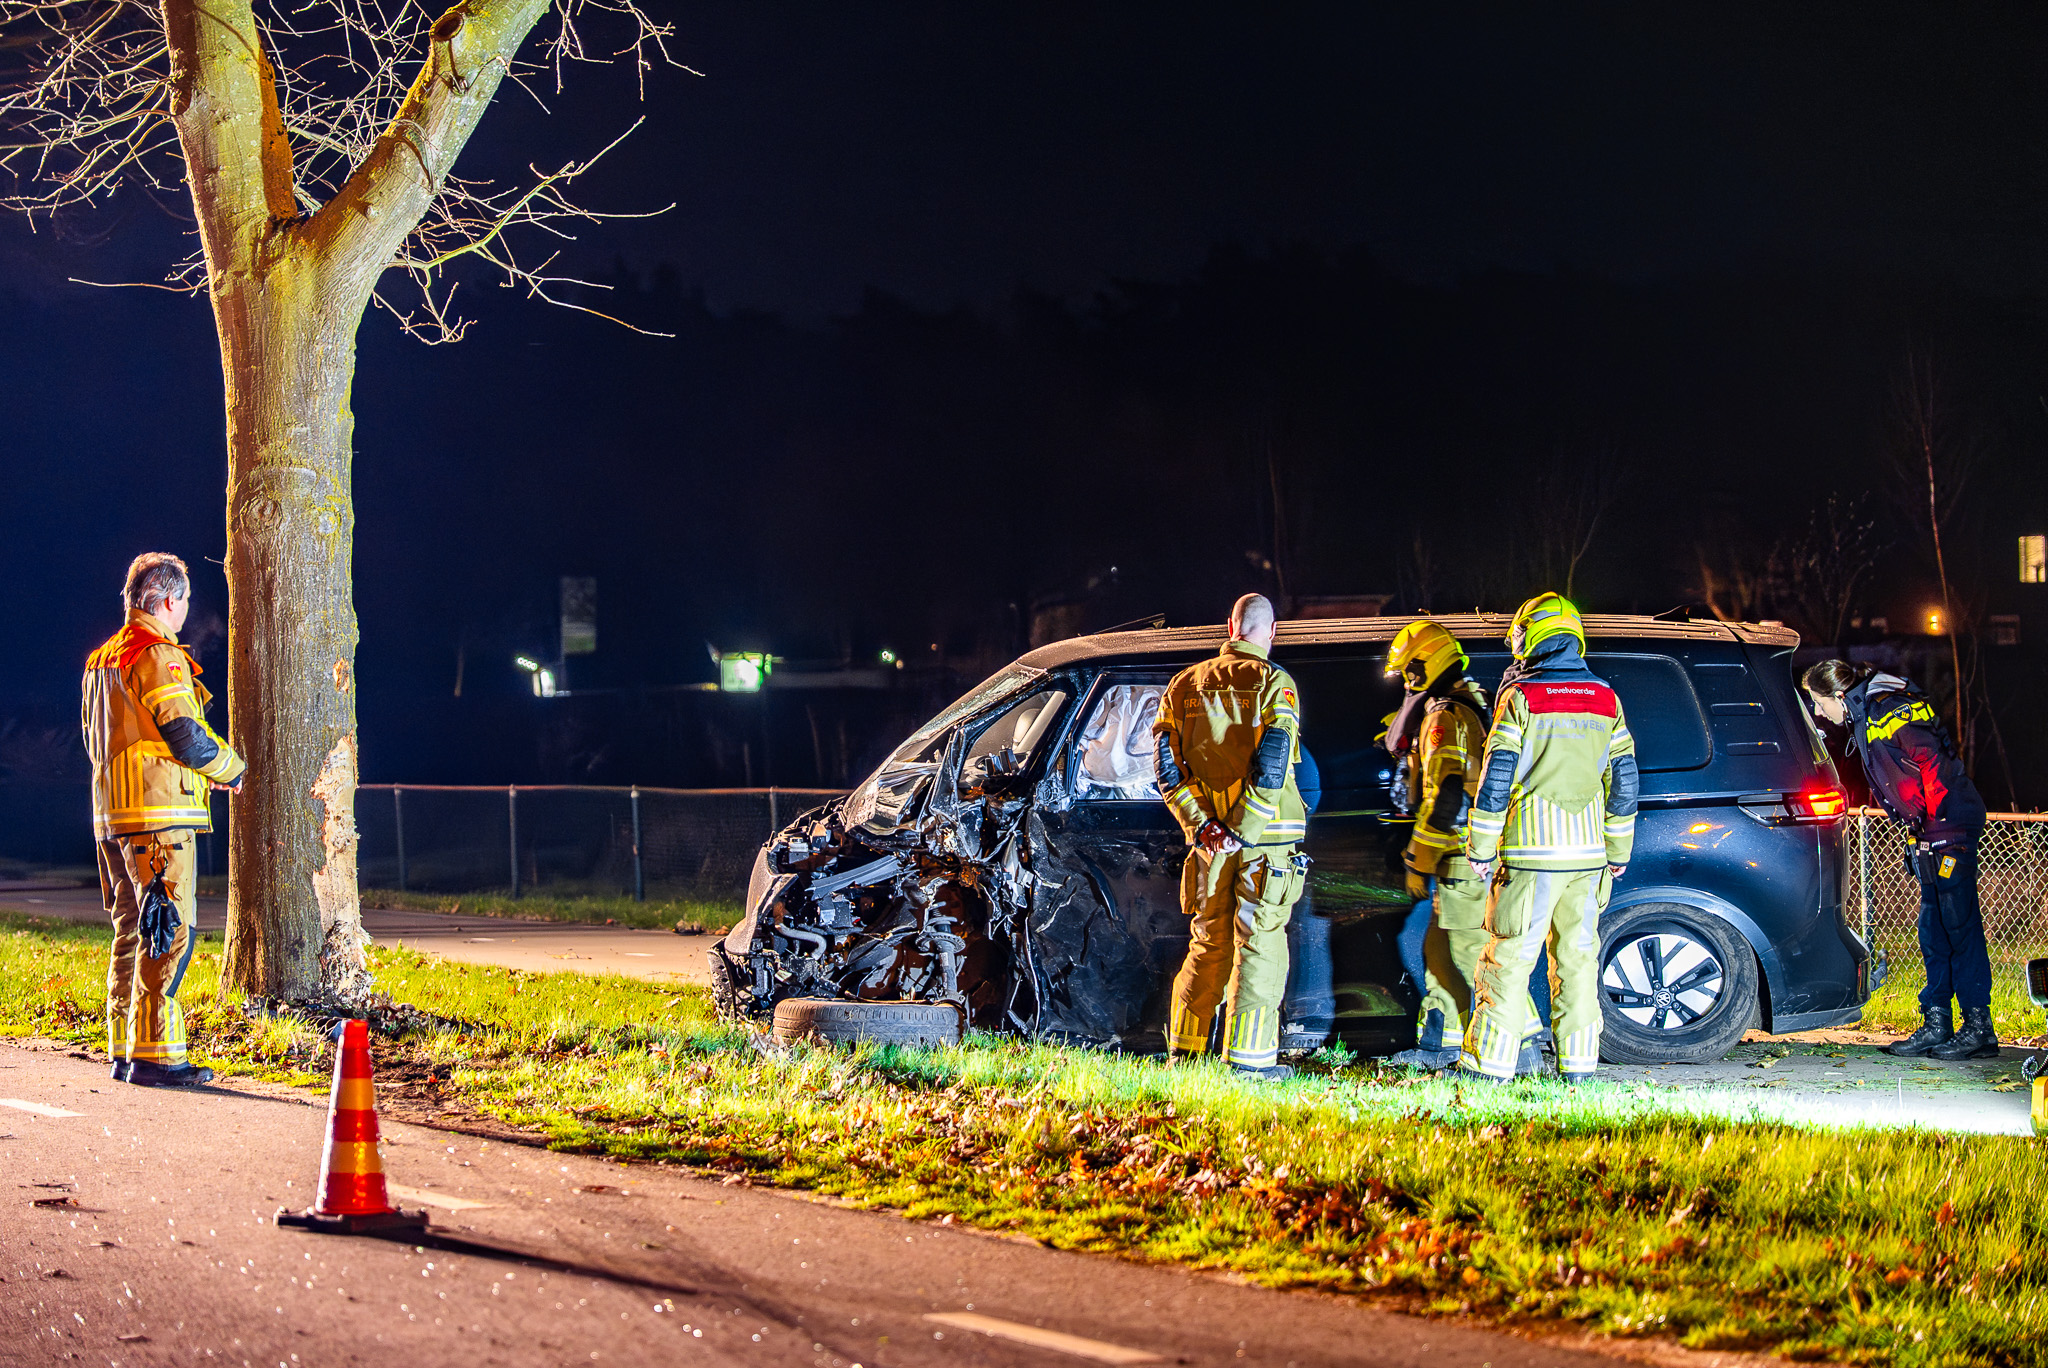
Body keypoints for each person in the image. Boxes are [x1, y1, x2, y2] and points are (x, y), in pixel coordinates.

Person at [82, 553, 246, 1087]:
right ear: (169, 600)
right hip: (159, 818)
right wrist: (231, 768)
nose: (185, 614)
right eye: (186, 603)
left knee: (132, 929)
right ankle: (158, 1059)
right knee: (169, 932)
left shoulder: (101, 660)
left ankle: (124, 1051)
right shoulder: (158, 653)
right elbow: (184, 734)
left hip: (112, 816)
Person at [1461, 593, 1639, 1083]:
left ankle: (1487, 1070)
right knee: (1578, 962)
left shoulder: (1522, 698)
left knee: (1510, 960)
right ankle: (1579, 1069)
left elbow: (1496, 777)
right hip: (1589, 859)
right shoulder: (1607, 699)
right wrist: (1618, 852)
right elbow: (1623, 780)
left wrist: (1479, 848)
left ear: (1531, 636)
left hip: (1530, 855)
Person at [1803, 659, 1995, 1059]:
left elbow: (1930, 761)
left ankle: (1979, 1028)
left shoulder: (1889, 707)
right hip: (1928, 830)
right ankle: (1937, 1022)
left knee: (1959, 928)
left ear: (1839, 696)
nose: (1820, 712)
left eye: (1820, 704)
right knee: (1933, 930)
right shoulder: (1866, 714)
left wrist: (1937, 828)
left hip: (1948, 827)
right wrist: (1917, 833)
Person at [1153, 593, 1309, 1079]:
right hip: (1265, 843)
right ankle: (1248, 1061)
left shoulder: (1182, 685)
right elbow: (1275, 758)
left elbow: (1164, 766)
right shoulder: (1274, 682)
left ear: (1230, 626)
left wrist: (1203, 825)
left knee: (1208, 942)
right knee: (1259, 943)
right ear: (1272, 631)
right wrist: (1243, 830)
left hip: (1209, 845)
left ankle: (1186, 1051)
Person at [1381, 620, 1544, 1071]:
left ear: (1424, 665)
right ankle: (1441, 1044)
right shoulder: (1461, 705)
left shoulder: (1444, 716)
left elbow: (1447, 792)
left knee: (1474, 953)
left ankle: (1525, 1047)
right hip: (1461, 855)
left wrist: (1418, 858)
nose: (1407, 683)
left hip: (1461, 855)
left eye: (1410, 672)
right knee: (1438, 949)